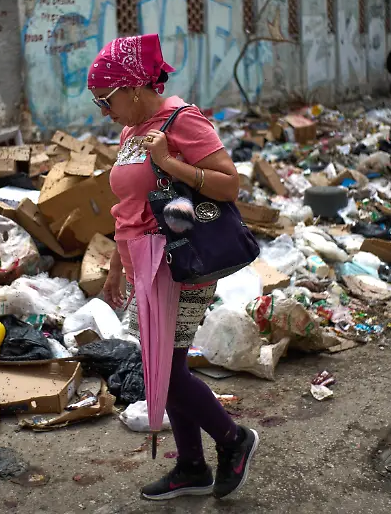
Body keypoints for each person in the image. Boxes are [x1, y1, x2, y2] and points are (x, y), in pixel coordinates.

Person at [89, 33, 259, 502]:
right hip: (143, 267)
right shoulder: (130, 132)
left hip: (180, 264)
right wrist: (116, 265)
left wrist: (169, 161)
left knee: (162, 373)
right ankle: (191, 467)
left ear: (133, 87)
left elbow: (229, 185)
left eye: (106, 100)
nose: (104, 112)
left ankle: (233, 439)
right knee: (167, 368)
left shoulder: (183, 120)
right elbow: (129, 205)